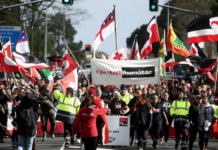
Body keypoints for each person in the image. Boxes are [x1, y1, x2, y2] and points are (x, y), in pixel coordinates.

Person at [15, 86, 39, 150]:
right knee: (29, 145)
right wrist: (30, 88)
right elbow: (37, 94)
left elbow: (16, 116)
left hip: (21, 127)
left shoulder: (19, 106)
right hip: (31, 126)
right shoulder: (32, 104)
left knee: (20, 145)